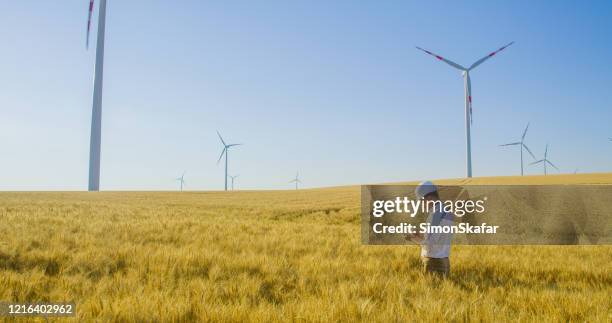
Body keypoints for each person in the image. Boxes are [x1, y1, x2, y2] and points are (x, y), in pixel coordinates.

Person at [407, 181, 454, 277]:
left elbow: (429, 245)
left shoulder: (435, 214)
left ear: (428, 198)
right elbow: (439, 237)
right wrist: (420, 234)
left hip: (433, 263)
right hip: (444, 262)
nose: (421, 204)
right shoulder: (445, 210)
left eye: (421, 201)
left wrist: (412, 238)